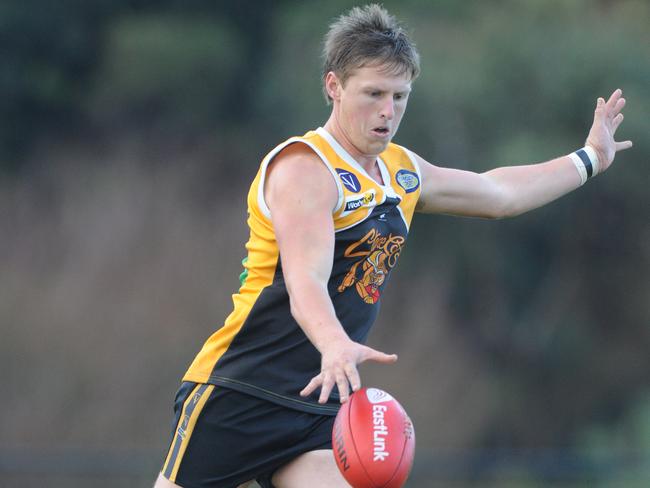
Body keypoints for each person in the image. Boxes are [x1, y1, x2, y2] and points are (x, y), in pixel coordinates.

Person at [154, 4, 632, 487]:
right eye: (374, 93)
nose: (388, 111)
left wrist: (589, 158)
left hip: (321, 397)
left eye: (400, 95)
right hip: (243, 391)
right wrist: (335, 343)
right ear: (333, 86)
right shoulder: (306, 168)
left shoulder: (402, 171)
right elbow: (305, 282)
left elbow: (498, 194)